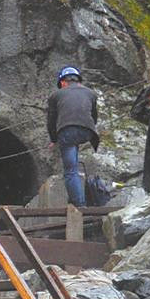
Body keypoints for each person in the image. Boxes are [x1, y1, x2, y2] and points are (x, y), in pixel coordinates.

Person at [45, 65, 101, 206]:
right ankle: (77, 199)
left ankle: (79, 205)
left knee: (70, 171)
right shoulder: (91, 93)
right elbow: (94, 116)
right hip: (88, 131)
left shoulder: (56, 95)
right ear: (79, 81)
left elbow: (51, 120)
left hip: (68, 131)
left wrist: (53, 139)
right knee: (73, 150)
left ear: (63, 82)